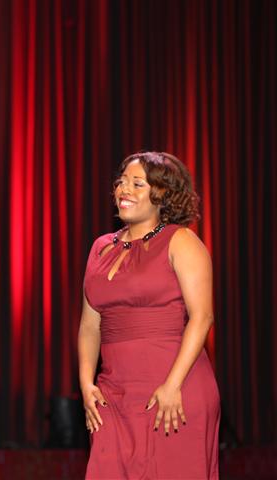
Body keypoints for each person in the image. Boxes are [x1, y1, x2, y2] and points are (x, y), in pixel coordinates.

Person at [78, 152, 220, 479]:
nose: (123, 189)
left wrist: (172, 385)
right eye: (121, 182)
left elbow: (202, 318)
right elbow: (89, 325)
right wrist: (86, 384)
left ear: (163, 194)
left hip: (173, 390)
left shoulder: (181, 241)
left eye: (137, 183)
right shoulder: (100, 247)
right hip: (113, 394)